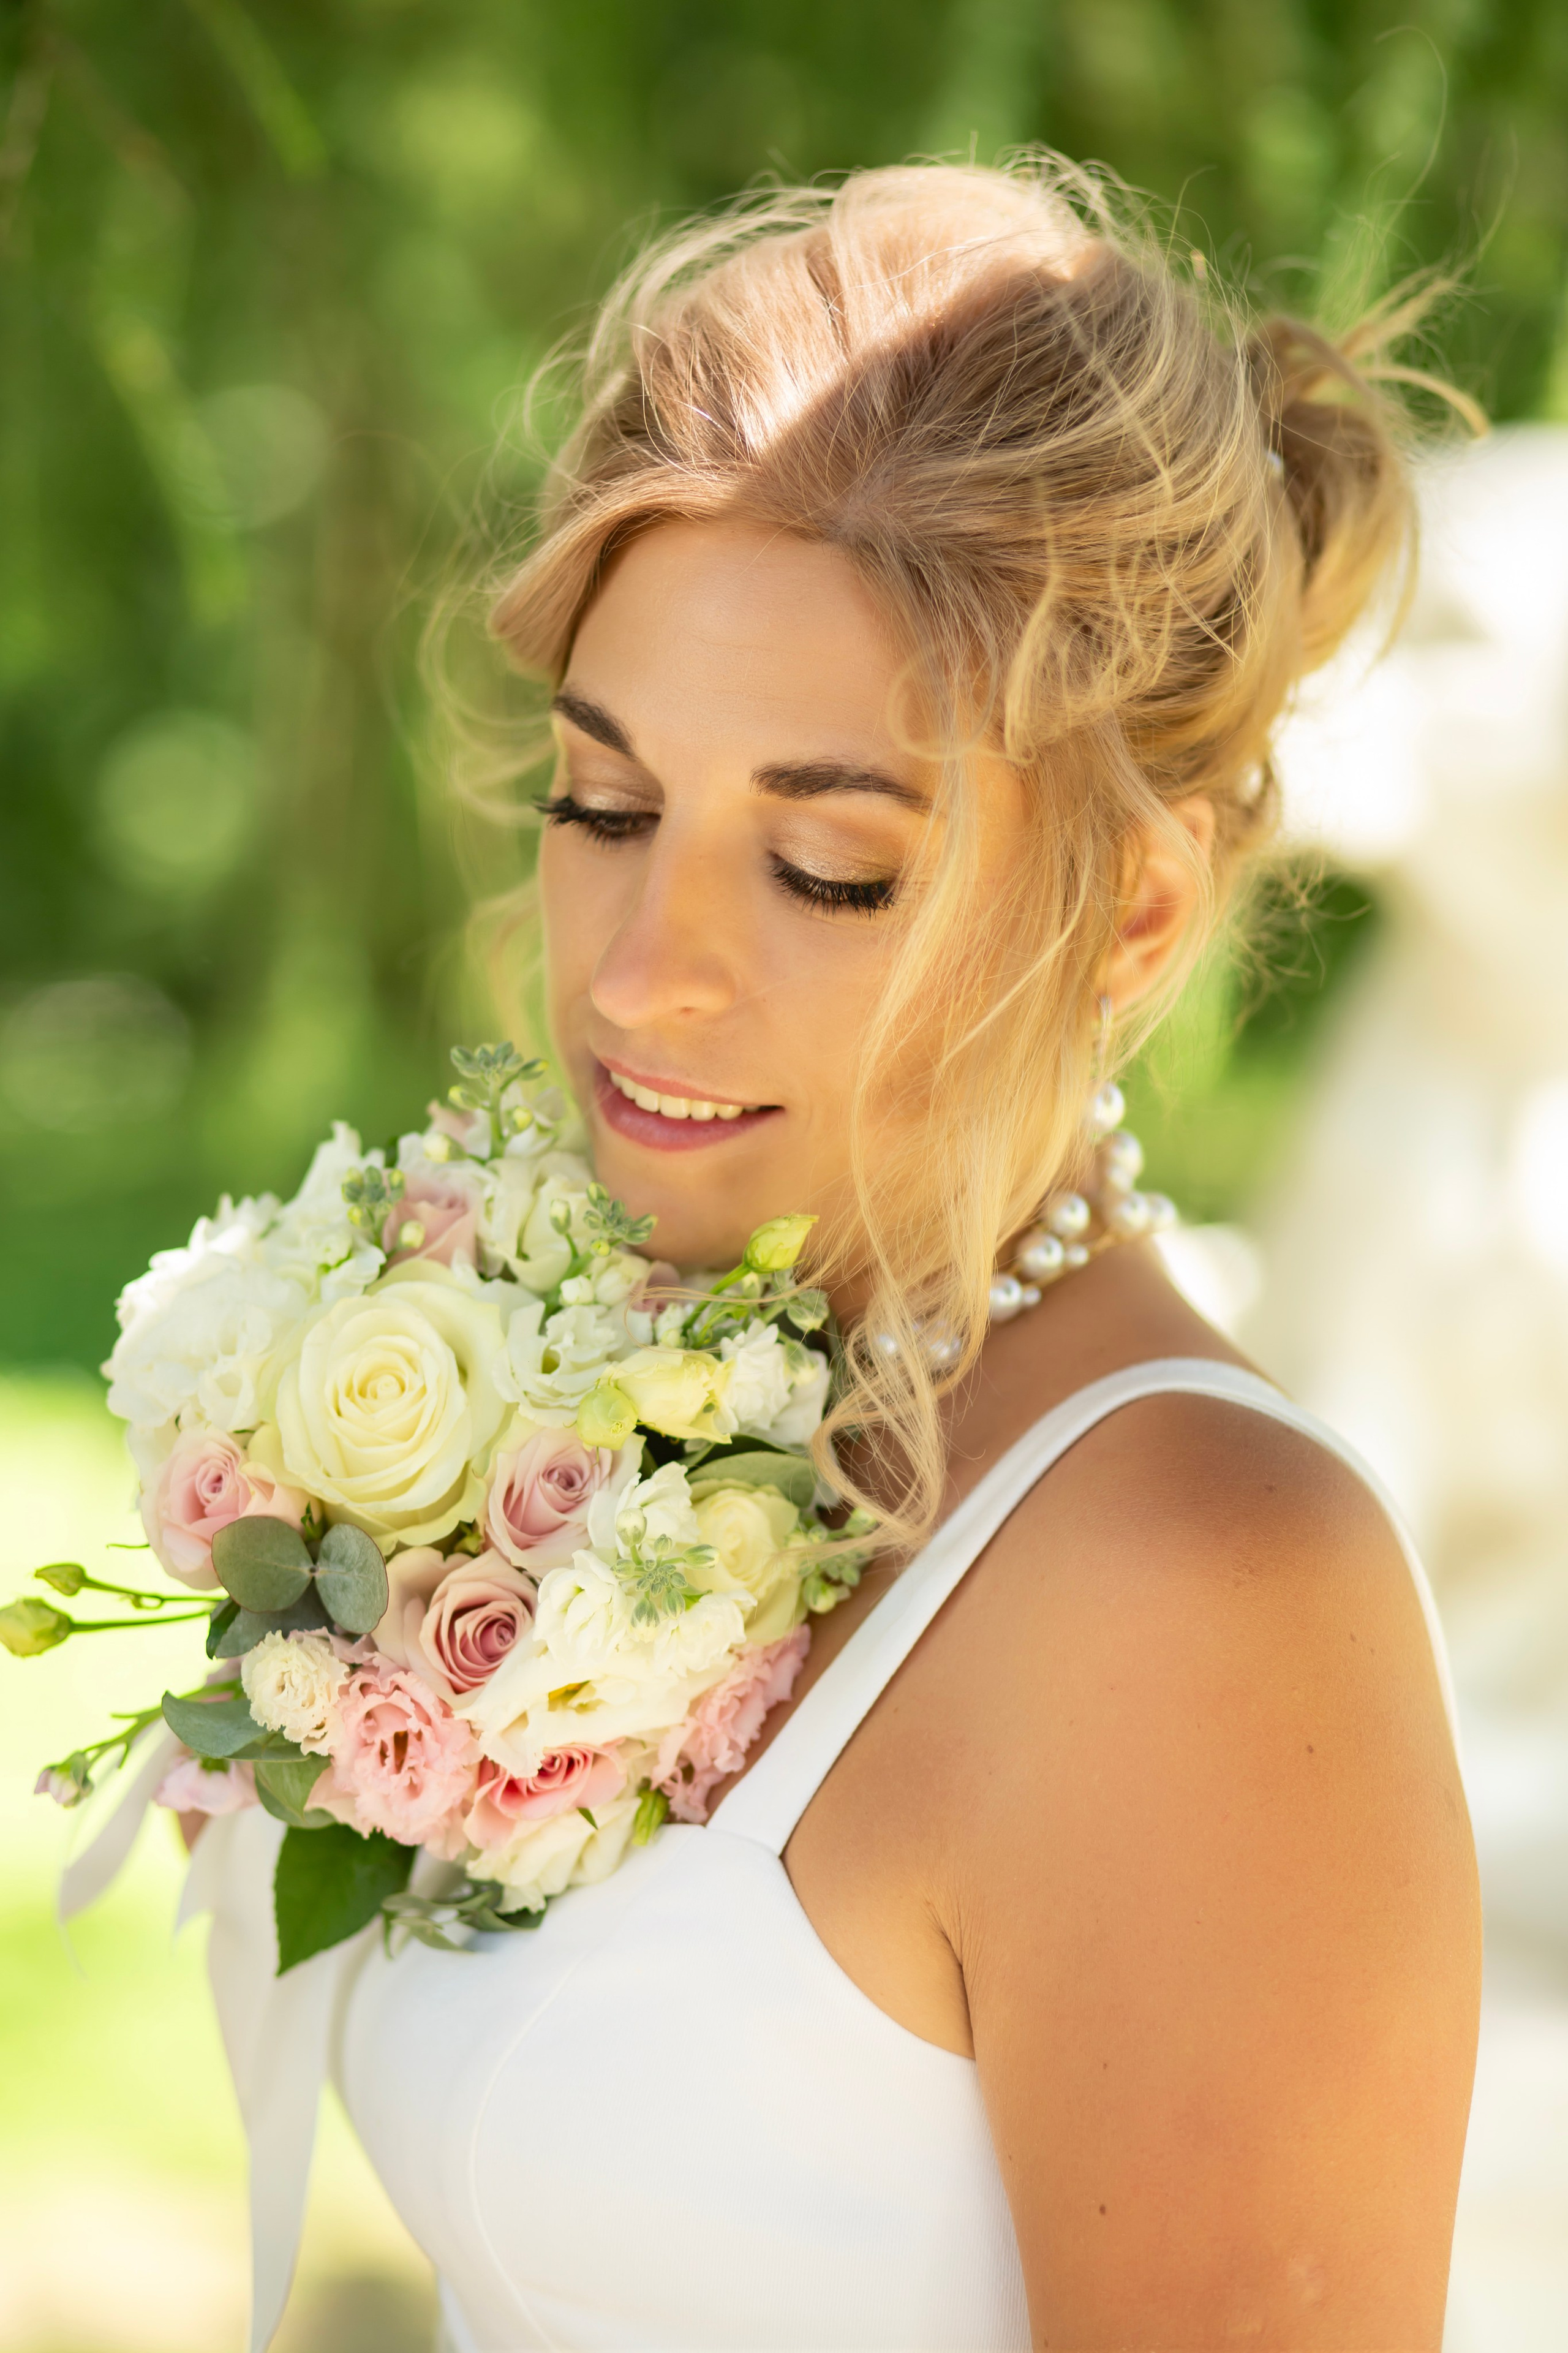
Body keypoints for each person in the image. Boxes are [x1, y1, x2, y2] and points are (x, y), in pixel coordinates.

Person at [230, 161, 1482, 2349]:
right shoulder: (630, 1358)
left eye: (823, 868)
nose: (645, 973)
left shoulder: (1205, 1592)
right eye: (605, 807)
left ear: (1135, 916)